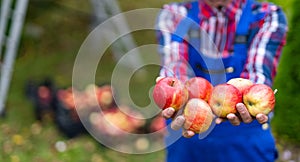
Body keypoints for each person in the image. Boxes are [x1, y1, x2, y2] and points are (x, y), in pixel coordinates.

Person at [155, 0, 288, 161]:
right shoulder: (174, 15)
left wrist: (242, 102)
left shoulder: (266, 16)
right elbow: (176, 65)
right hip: (189, 140)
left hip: (246, 144)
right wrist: (178, 95)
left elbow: (257, 75)